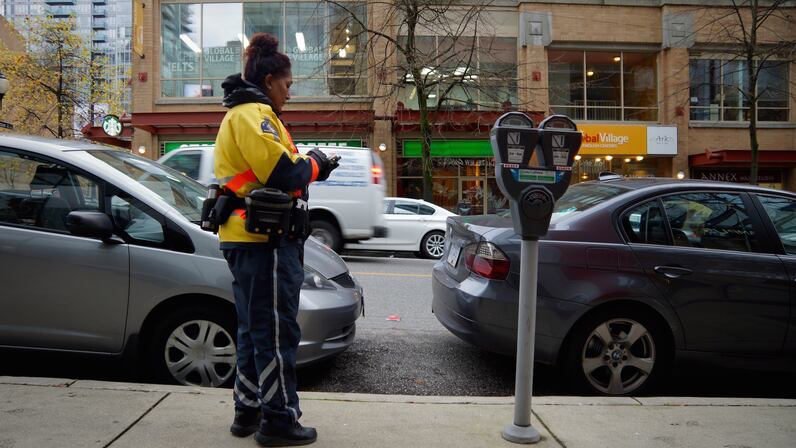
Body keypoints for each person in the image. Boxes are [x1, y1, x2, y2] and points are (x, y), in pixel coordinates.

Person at [213, 33, 337, 447]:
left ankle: (247, 411)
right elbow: (285, 173)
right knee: (276, 331)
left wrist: (308, 166)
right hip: (263, 239)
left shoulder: (245, 114)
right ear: (269, 81)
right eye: (286, 85)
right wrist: (317, 163)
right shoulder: (255, 114)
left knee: (253, 329)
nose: (290, 92)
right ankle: (279, 419)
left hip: (249, 237)